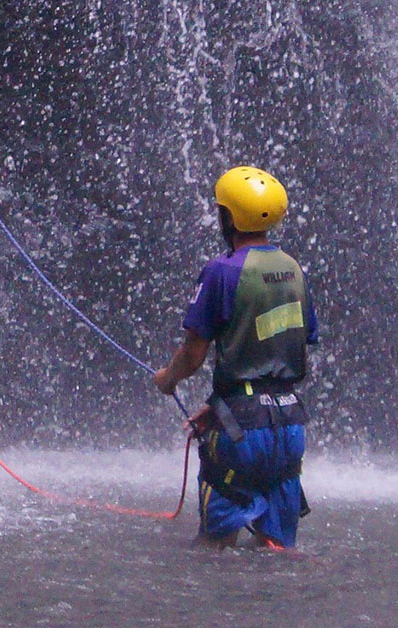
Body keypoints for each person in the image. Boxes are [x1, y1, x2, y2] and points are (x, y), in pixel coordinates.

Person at [153, 166, 319, 549]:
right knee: (277, 550)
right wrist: (221, 407)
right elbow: (281, 350)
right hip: (290, 425)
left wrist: (168, 380)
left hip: (241, 432)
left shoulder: (222, 271)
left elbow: (193, 353)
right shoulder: (293, 269)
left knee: (215, 548)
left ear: (229, 218)